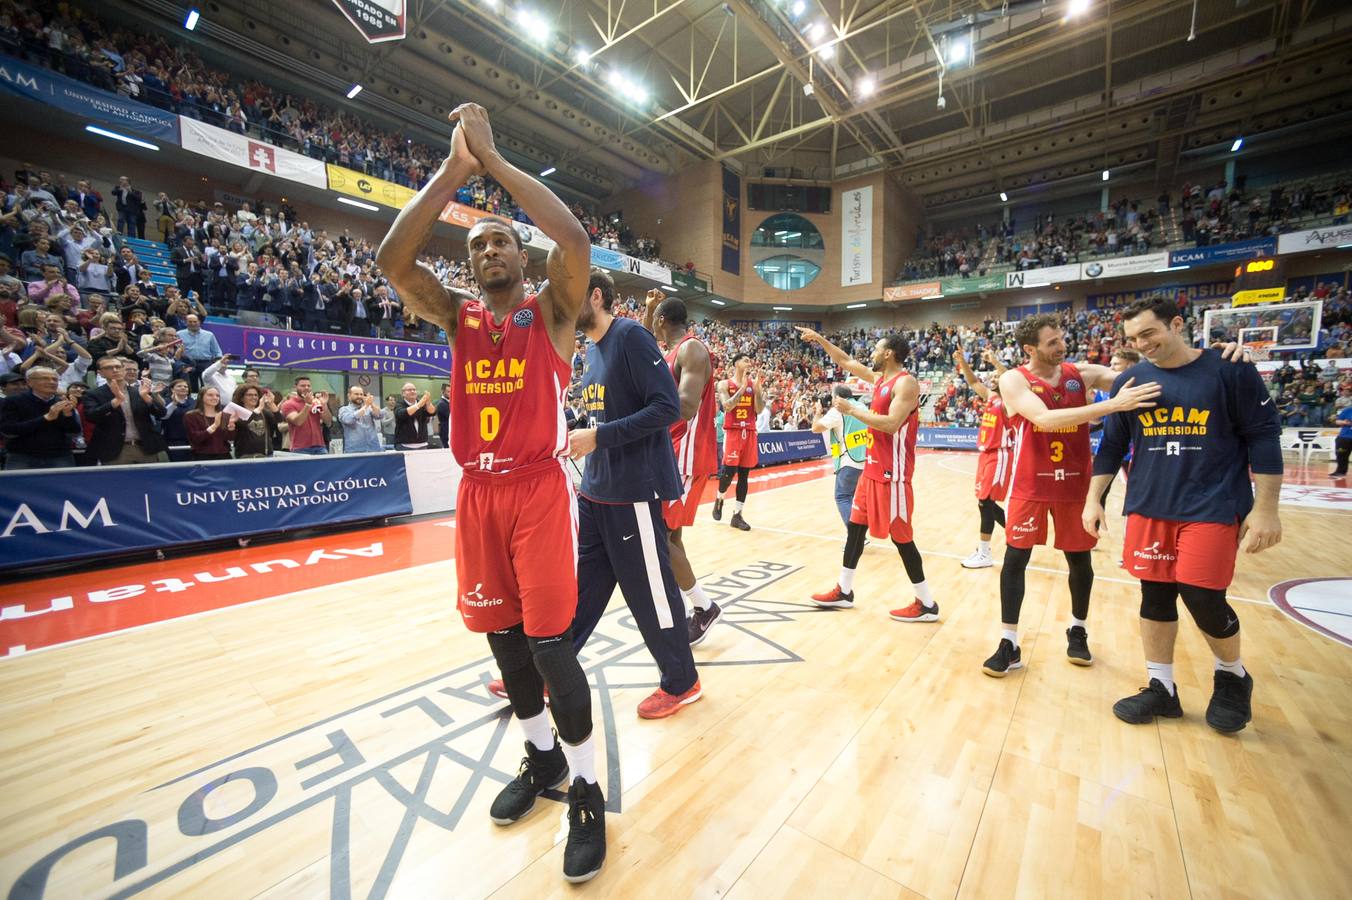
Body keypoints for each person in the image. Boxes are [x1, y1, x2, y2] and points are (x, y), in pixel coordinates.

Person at [376, 102, 604, 883]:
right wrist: (454, 172)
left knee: (551, 647)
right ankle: (542, 761)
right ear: (469, 264)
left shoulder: (553, 311)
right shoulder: (455, 315)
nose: (490, 249)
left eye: (501, 239)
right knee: (502, 642)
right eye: (478, 244)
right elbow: (391, 262)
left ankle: (588, 788)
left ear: (521, 256)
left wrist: (497, 162)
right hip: (477, 493)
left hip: (538, 490)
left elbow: (573, 240)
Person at [1085, 296, 1282, 733]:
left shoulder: (1230, 369)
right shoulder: (1132, 380)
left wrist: (1267, 508)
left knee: (1201, 594)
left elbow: (1265, 437)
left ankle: (1232, 677)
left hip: (1212, 504)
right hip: (1151, 504)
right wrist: (1093, 498)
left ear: (1176, 324)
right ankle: (1162, 688)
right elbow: (1112, 445)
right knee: (1154, 597)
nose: (1142, 344)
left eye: (1149, 333)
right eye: (1133, 339)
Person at [980, 313, 1167, 677]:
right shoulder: (1013, 379)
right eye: (1052, 342)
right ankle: (1009, 642)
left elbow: (1142, 378)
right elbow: (1046, 420)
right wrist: (1114, 405)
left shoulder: (1081, 373)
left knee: (1079, 561)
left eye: (1061, 338)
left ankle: (1078, 630)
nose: (1062, 346)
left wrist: (1208, 357)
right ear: (1030, 349)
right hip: (1029, 485)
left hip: (1076, 485)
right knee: (1015, 561)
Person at [568, 271, 702, 716]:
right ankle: (554, 669)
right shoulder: (589, 351)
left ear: (597, 296)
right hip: (597, 491)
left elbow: (668, 407)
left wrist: (599, 436)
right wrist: (583, 436)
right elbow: (603, 415)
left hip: (634, 491)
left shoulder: (630, 337)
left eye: (571, 295)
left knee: (652, 594)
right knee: (580, 591)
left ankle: (682, 681)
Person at [797, 327, 942, 623]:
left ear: (888, 353)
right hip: (871, 470)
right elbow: (846, 362)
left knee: (902, 539)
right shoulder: (880, 380)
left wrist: (851, 410)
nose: (871, 354)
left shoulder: (907, 383)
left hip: (894, 475)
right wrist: (820, 339)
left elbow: (890, 424)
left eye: (876, 350)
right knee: (855, 529)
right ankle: (845, 591)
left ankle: (926, 602)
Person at [641, 291, 723, 645]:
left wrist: (641, 416)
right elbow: (642, 348)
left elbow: (687, 406)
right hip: (672, 453)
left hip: (684, 457)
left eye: (653, 320)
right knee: (670, 536)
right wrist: (647, 310)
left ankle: (703, 607)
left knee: (659, 535)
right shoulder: (674, 350)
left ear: (663, 322)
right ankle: (689, 606)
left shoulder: (692, 349)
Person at [953, 348, 1009, 568]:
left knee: (985, 503)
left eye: (997, 376)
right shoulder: (992, 397)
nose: (993, 378)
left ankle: (984, 553)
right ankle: (1018, 536)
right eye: (992, 377)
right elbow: (973, 381)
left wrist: (995, 361)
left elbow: (1012, 378)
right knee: (986, 502)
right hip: (986, 455)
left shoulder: (1010, 401)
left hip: (1000, 454)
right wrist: (963, 362)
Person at [712, 353, 765, 530]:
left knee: (744, 475)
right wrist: (742, 389)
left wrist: (757, 390)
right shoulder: (724, 384)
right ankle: (719, 499)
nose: (749, 363)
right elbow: (727, 406)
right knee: (728, 473)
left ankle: (737, 515)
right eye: (745, 360)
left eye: (750, 360)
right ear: (736, 363)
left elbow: (759, 408)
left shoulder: (752, 384)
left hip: (749, 431)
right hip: (733, 432)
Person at [84, 357, 167, 465]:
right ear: (100, 373)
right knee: (118, 481)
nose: (115, 370)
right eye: (109, 367)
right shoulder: (93, 394)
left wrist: (147, 398)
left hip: (145, 447)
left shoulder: (139, 391)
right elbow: (91, 416)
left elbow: (162, 413)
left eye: (118, 367)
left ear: (123, 370)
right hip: (115, 449)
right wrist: (115, 401)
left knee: (151, 481)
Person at [812, 385, 868, 530]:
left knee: (842, 497)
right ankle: (860, 534)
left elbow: (815, 428)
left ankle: (855, 536)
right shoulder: (861, 406)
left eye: (832, 396)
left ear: (838, 398)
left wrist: (818, 413)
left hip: (848, 460)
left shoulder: (838, 410)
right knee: (855, 499)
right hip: (865, 459)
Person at [0, 366, 80, 468]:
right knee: (18, 484)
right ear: (29, 382)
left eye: (54, 379)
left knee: (64, 483)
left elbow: (74, 431)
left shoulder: (62, 402)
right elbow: (8, 430)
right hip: (22, 456)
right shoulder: (13, 401)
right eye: (45, 378)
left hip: (60, 455)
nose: (51, 382)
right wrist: (46, 418)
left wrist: (68, 414)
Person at [279, 376, 332, 455]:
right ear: (295, 387)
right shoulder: (288, 404)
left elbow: (328, 422)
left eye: (308, 386)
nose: (306, 388)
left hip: (320, 446)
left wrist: (324, 405)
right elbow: (298, 421)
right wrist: (307, 405)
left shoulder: (316, 402)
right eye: (303, 386)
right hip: (300, 448)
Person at [184, 386, 234, 460]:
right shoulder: (191, 415)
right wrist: (214, 426)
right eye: (210, 395)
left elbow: (229, 438)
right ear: (201, 397)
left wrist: (231, 429)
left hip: (224, 455)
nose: (215, 397)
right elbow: (195, 438)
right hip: (201, 455)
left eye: (217, 395)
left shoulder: (223, 414)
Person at [231, 384, 279, 458]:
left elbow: (279, 420)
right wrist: (258, 409)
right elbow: (243, 423)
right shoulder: (236, 412)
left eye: (256, 395)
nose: (254, 397)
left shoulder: (264, 412)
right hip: (245, 455)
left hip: (265, 454)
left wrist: (272, 404)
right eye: (249, 395)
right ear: (241, 398)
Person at [338, 386, 384, 453]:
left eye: (361, 394)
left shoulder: (369, 409)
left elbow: (380, 415)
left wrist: (372, 404)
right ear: (349, 395)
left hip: (373, 449)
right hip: (355, 450)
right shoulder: (344, 410)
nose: (359, 396)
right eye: (356, 394)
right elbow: (349, 420)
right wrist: (366, 406)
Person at [393, 382, 436, 450]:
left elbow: (432, 412)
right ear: (403, 393)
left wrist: (428, 402)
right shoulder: (399, 404)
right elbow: (403, 414)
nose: (412, 391)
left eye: (414, 389)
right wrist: (418, 405)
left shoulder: (421, 403)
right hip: (404, 445)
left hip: (422, 444)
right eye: (409, 390)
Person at [1333, 402, 1352, 478]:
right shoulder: (1347, 410)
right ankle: (1340, 472)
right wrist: (1344, 422)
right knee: (1341, 454)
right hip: (1344, 437)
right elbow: (1337, 421)